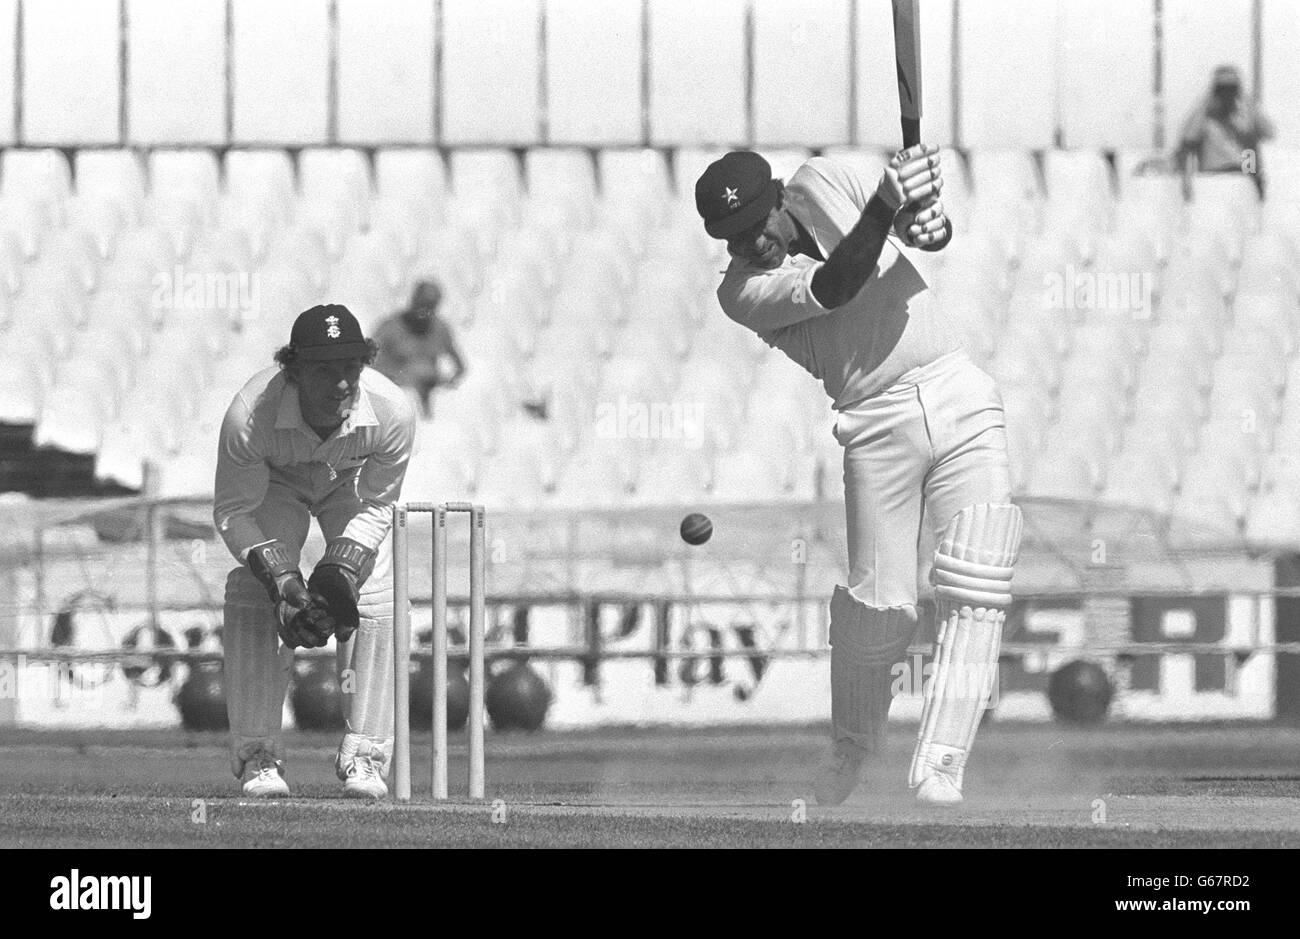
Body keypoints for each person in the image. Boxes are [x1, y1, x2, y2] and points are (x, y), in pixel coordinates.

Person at [694, 148, 1022, 807]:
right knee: (881, 613)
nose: (751, 243)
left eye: (759, 223)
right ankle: (850, 752)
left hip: (957, 387)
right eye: (734, 236)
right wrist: (886, 208)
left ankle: (940, 769)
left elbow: (911, 223)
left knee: (977, 577)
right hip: (873, 422)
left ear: (781, 195)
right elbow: (837, 284)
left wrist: (930, 222)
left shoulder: (829, 176)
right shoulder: (741, 293)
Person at [213, 304, 416, 799]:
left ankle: (364, 757)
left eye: (351, 368)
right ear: (294, 369)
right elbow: (233, 511)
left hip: (348, 484)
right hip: (275, 486)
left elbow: (378, 503)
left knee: (378, 592)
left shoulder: (391, 412)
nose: (342, 383)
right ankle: (259, 755)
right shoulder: (250, 413)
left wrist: (343, 570)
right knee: (250, 590)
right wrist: (283, 581)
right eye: (325, 370)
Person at [1176, 64, 1274, 197]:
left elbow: (1268, 133)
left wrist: (1249, 104)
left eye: (1232, 88)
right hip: (1214, 179)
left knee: (1248, 138)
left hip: (1245, 178)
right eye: (1222, 89)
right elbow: (1188, 140)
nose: (1227, 93)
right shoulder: (1205, 115)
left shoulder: (1245, 114)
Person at [373, 280, 466, 418]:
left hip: (428, 400)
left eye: (430, 306)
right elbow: (367, 363)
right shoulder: (390, 328)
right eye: (420, 304)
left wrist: (443, 384)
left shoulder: (440, 330)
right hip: (395, 398)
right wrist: (397, 377)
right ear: (413, 300)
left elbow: (460, 367)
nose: (423, 310)